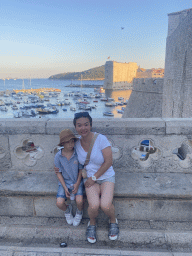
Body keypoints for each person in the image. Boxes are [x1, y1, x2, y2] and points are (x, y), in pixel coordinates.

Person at [73, 112, 119, 244]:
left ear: (91, 125)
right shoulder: (76, 143)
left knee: (105, 205)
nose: (83, 128)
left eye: (86, 124)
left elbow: (109, 162)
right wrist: (58, 167)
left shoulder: (101, 139)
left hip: (105, 176)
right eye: (79, 125)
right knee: (93, 206)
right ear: (75, 127)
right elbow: (68, 155)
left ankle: (113, 220)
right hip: (89, 178)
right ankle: (92, 223)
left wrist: (94, 177)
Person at [54, 129, 84, 226]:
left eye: (72, 141)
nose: (71, 144)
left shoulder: (77, 154)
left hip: (77, 181)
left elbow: (80, 170)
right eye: (68, 142)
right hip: (64, 182)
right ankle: (67, 210)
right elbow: (58, 173)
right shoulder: (58, 156)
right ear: (63, 143)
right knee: (59, 203)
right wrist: (65, 187)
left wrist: (78, 183)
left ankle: (79, 212)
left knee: (79, 201)